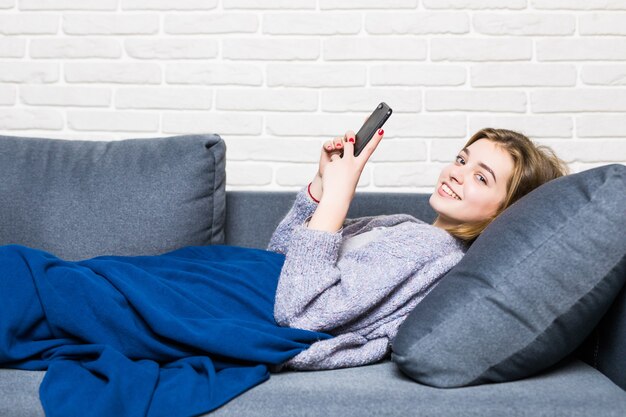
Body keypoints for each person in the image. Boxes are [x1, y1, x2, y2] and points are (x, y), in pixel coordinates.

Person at [268, 127, 569, 371]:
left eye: (481, 177)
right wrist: (320, 185)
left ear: (503, 213)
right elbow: (280, 261)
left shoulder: (430, 247)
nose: (456, 173)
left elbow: (302, 314)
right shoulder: (407, 227)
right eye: (462, 160)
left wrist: (337, 195)